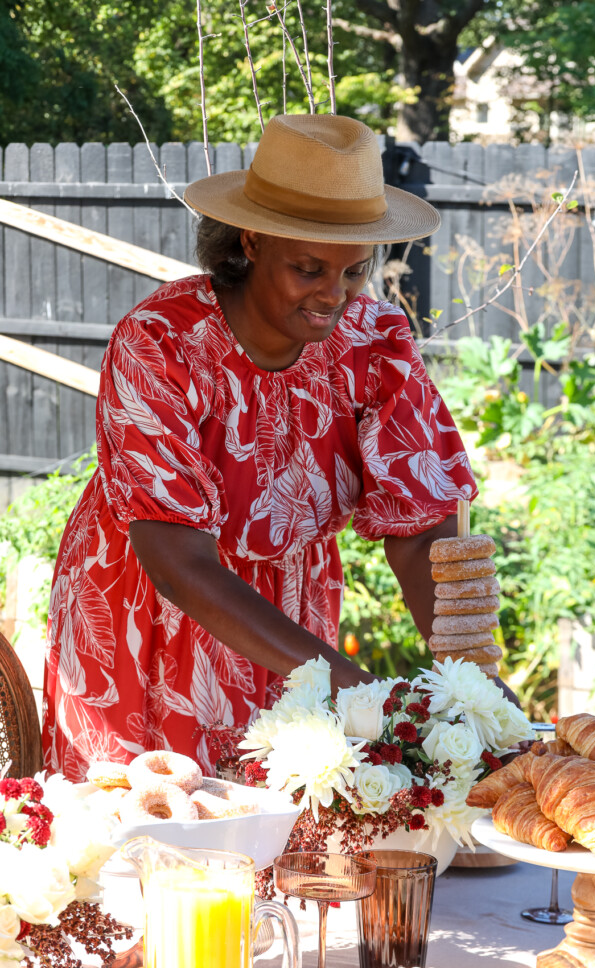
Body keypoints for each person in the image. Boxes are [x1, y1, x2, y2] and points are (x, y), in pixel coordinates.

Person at [42, 114, 482, 782]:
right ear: (251, 241)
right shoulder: (160, 343)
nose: (332, 296)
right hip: (147, 613)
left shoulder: (373, 344)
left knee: (284, 834)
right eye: (308, 269)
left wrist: (466, 681)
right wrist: (353, 685)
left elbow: (423, 531)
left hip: (285, 617)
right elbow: (176, 557)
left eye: (353, 270)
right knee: (149, 832)